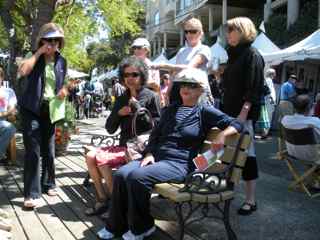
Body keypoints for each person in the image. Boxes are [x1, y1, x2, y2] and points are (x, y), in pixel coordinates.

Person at [97, 68, 243, 240]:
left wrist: (222, 135)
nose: (185, 88)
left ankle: (143, 227)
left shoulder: (204, 111)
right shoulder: (172, 109)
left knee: (137, 177)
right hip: (157, 158)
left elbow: (237, 124)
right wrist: (149, 153)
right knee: (122, 174)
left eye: (192, 85)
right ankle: (115, 226)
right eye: (183, 84)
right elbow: (155, 135)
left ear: (201, 89)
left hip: (179, 164)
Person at [84, 56, 161, 216]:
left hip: (140, 148)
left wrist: (137, 107)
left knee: (102, 161)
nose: (130, 78)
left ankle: (116, 205)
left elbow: (157, 127)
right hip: (123, 145)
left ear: (142, 75)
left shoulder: (151, 96)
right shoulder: (121, 98)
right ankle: (103, 199)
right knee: (91, 155)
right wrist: (118, 113)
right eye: (126, 75)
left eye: (134, 74)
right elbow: (110, 128)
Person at [18, 22, 69, 208]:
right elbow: (23, 72)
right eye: (49, 40)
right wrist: (38, 52)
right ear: (41, 40)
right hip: (31, 108)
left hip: (51, 108)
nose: (52, 43)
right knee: (33, 149)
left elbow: (64, 83)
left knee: (49, 148)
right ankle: (31, 193)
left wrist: (64, 90)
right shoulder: (33, 56)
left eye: (56, 40)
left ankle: (49, 183)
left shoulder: (62, 61)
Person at [221, 17, 265, 215]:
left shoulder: (252, 54)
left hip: (242, 116)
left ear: (243, 31)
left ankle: (251, 200)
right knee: (228, 155)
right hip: (229, 113)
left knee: (248, 156)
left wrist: (242, 115)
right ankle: (226, 191)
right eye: (228, 30)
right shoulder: (234, 54)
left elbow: (253, 89)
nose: (228, 34)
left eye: (232, 30)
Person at [152, 17, 213, 105]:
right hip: (182, 93)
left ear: (200, 33)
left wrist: (164, 65)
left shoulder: (204, 49)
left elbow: (189, 68)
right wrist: (167, 93)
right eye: (186, 31)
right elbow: (174, 74)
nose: (189, 34)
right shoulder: (181, 51)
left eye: (193, 31)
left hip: (199, 93)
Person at [281, 94, 320, 164]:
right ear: (310, 108)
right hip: (312, 156)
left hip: (291, 152)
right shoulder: (315, 121)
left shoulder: (285, 119)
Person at [0, 67, 17, 161]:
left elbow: (12, 108)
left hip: (2, 120)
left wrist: (3, 114)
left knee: (10, 128)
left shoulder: (9, 91)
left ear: (2, 78)